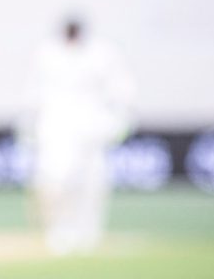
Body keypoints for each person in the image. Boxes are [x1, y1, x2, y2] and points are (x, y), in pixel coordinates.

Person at [18, 17, 136, 256]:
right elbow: (33, 91)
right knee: (54, 179)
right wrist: (28, 124)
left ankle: (88, 234)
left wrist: (118, 122)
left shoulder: (102, 53)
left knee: (92, 183)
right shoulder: (47, 53)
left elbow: (121, 90)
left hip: (92, 129)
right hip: (55, 128)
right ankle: (59, 232)